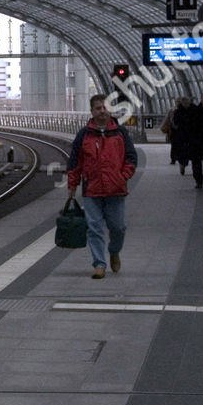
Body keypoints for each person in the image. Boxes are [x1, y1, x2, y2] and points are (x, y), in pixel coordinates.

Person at [66, 95, 137, 279]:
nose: (102, 111)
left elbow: (131, 158)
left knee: (118, 227)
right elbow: (75, 162)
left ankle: (114, 251)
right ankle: (99, 263)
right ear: (92, 112)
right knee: (94, 227)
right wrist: (72, 184)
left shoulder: (120, 133)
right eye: (98, 108)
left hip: (116, 189)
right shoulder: (84, 135)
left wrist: (123, 177)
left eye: (104, 107)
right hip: (92, 190)